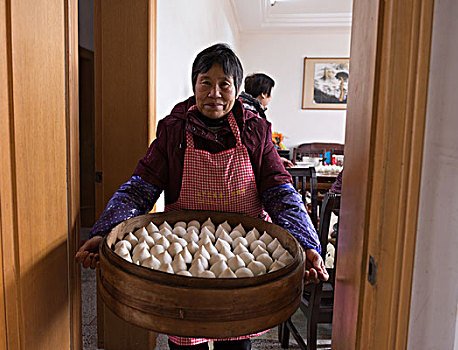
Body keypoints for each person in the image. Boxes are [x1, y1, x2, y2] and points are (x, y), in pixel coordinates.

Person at [75, 43, 328, 350]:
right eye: (205, 83)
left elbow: (280, 192)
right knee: (185, 337)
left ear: (236, 89)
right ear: (194, 84)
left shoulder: (255, 132)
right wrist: (104, 232)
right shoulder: (174, 131)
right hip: (183, 266)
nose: (215, 93)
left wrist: (307, 243)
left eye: (225, 85)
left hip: (243, 257)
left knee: (235, 340)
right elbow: (139, 188)